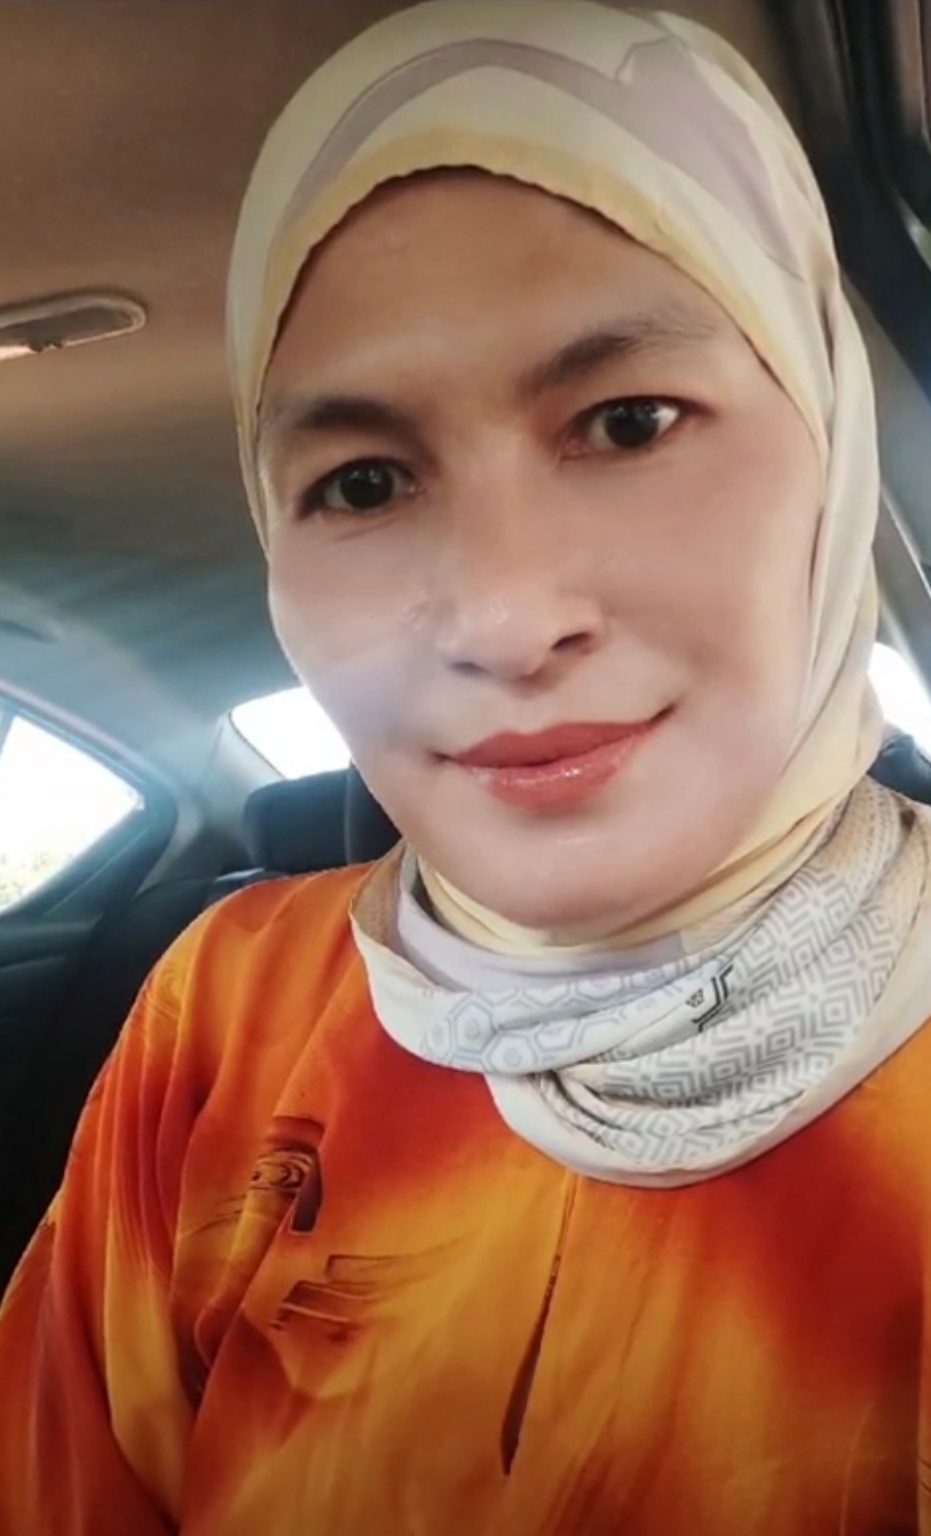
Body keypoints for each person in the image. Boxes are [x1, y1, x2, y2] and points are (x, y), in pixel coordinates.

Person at [2, 2, 931, 1531]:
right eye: (363, 481)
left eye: (630, 422)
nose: (503, 617)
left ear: (829, 452)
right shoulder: (223, 1008)